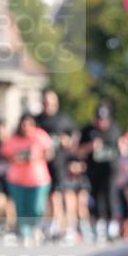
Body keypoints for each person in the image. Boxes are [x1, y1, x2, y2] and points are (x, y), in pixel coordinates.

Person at [0, 113, 54, 243]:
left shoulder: (40, 136)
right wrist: (17, 157)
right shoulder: (14, 138)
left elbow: (50, 152)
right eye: (23, 124)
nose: (26, 127)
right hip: (17, 180)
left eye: (29, 124)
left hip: (38, 180)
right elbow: (5, 153)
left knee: (36, 207)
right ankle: (25, 232)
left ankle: (35, 227)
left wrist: (38, 156)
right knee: (21, 208)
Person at [35, 89, 76, 239]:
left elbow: (72, 139)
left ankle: (62, 226)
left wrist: (66, 141)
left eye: (51, 102)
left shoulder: (63, 120)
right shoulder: (37, 120)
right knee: (44, 196)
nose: (48, 105)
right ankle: (48, 224)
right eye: (46, 102)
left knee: (58, 195)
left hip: (59, 163)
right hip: (40, 165)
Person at [78, 103, 121, 241]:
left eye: (104, 119)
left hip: (110, 169)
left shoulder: (114, 129)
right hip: (94, 169)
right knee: (96, 197)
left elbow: (121, 148)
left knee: (110, 195)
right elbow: (79, 151)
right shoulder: (88, 130)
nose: (101, 122)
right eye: (99, 119)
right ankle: (99, 226)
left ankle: (112, 227)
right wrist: (90, 146)